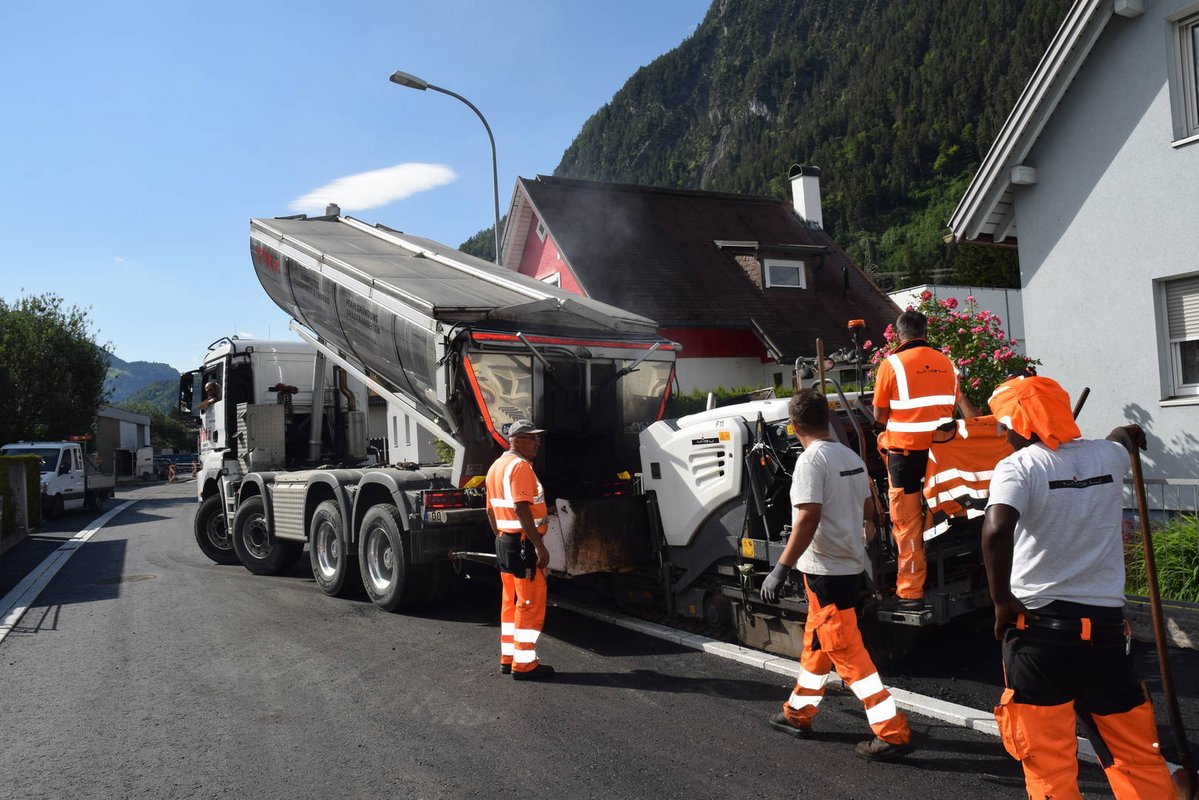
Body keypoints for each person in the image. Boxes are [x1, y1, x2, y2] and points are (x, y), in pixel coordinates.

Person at [981, 375, 1176, 799]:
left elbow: (996, 530)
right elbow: (1120, 439)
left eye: (1003, 424)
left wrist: (1000, 601)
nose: (1001, 432)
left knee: (1049, 759)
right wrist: (1128, 432)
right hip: (1104, 635)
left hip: (1038, 633)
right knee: (1134, 754)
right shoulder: (1107, 456)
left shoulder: (1018, 467)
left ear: (1021, 424)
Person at [761, 389, 914, 762]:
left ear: (794, 426)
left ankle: (891, 731)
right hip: (848, 566)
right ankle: (798, 714)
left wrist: (781, 567)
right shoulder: (851, 457)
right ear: (827, 420)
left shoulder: (810, 461)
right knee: (817, 644)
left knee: (846, 652)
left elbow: (807, 517)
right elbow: (869, 513)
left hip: (824, 572)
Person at [872, 310, 964, 610]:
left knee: (907, 523)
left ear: (899, 335)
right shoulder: (947, 363)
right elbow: (952, 406)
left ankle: (910, 592)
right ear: (925, 330)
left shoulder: (891, 365)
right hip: (941, 453)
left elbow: (879, 416)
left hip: (906, 456)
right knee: (944, 510)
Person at [484, 418, 555, 681]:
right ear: (516, 440)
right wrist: (538, 545)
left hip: (506, 542)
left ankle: (508, 658)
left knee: (510, 603)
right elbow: (521, 507)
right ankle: (525, 665)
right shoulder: (520, 466)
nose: (537, 442)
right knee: (529, 604)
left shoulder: (496, 467)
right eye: (532, 437)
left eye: (538, 437)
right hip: (524, 544)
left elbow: (490, 510)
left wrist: (502, 537)